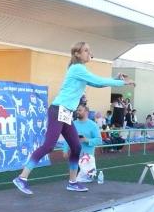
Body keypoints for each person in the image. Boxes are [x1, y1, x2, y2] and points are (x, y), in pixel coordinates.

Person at [12, 41, 134, 195]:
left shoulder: (80, 70)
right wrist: (122, 82)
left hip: (66, 113)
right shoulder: (77, 68)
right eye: (85, 51)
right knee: (49, 146)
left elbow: (97, 84)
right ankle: (22, 178)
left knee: (76, 147)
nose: (89, 53)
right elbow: (98, 81)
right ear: (77, 54)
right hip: (58, 110)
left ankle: (72, 182)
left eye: (89, 51)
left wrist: (115, 78)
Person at [62, 104, 102, 182]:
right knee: (73, 182)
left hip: (87, 159)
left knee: (87, 182)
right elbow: (67, 138)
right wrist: (65, 150)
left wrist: (86, 140)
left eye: (80, 110)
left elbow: (99, 140)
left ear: (86, 112)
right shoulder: (72, 124)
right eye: (77, 110)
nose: (77, 112)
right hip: (74, 157)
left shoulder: (93, 125)